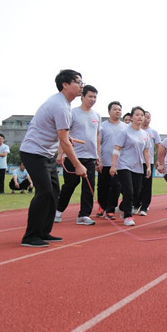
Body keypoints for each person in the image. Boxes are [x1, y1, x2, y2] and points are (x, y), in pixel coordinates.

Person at [20, 69, 88, 247]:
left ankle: (43, 231)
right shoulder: (60, 106)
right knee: (44, 192)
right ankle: (30, 236)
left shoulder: (64, 104)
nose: (82, 85)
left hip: (46, 154)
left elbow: (61, 134)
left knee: (53, 192)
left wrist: (66, 138)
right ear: (65, 85)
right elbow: (64, 141)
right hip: (34, 153)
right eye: (78, 82)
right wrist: (78, 165)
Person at [55, 85, 101, 226]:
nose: (93, 99)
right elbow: (63, 134)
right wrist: (60, 153)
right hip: (73, 156)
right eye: (90, 96)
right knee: (70, 184)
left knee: (89, 186)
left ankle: (84, 215)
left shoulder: (97, 115)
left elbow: (97, 136)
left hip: (90, 156)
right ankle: (58, 210)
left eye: (95, 97)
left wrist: (98, 155)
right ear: (82, 96)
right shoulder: (72, 113)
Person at [110, 106, 152, 227]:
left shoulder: (145, 134)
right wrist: (113, 165)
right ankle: (127, 216)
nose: (140, 117)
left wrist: (148, 167)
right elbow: (117, 149)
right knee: (128, 191)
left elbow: (146, 151)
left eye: (142, 115)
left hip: (138, 166)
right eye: (137, 115)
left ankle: (121, 208)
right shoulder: (125, 132)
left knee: (136, 192)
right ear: (132, 117)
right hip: (124, 165)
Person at [97, 101, 126, 219]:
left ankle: (111, 208)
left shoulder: (125, 127)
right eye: (115, 109)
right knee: (102, 186)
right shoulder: (102, 126)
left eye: (119, 109)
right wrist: (98, 159)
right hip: (104, 161)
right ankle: (102, 206)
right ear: (109, 111)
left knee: (116, 186)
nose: (117, 111)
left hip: (119, 163)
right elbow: (98, 143)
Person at [135, 110, 161, 216]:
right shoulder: (136, 131)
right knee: (136, 185)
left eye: (148, 117)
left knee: (147, 185)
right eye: (144, 116)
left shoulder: (153, 132)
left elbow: (159, 146)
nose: (146, 119)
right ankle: (136, 204)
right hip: (136, 161)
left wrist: (158, 160)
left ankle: (144, 207)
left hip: (148, 161)